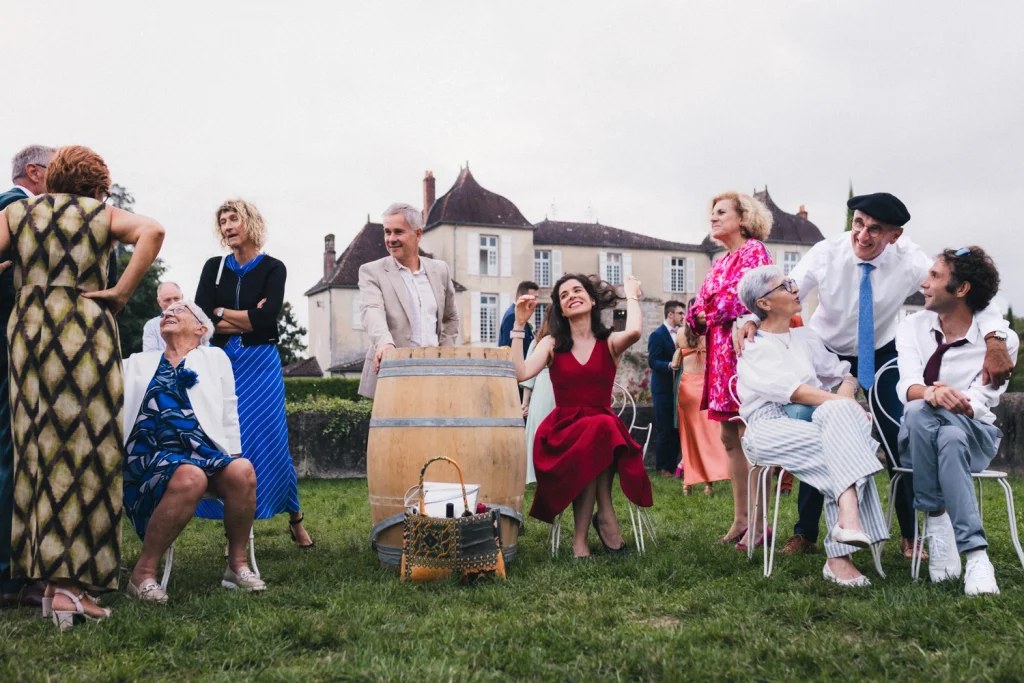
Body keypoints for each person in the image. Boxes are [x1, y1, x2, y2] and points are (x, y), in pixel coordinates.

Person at [738, 192, 1011, 560]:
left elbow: (974, 291)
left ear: (894, 236)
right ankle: (805, 531)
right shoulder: (826, 253)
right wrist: (750, 321)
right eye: (858, 224)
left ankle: (910, 534)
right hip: (827, 351)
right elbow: (783, 292)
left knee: (902, 432)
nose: (863, 236)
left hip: (883, 352)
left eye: (875, 230)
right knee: (821, 427)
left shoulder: (911, 259)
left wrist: (995, 340)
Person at [0, 145, 165, 627]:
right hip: (83, 327)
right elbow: (152, 230)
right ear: (96, 186)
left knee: (39, 452)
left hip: (30, 333)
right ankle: (72, 589)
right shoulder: (98, 212)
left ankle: (51, 585)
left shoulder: (17, 212)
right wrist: (120, 292)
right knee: (86, 453)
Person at [737, 265, 888, 586]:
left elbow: (842, 373)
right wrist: (843, 404)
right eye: (785, 285)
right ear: (763, 303)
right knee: (845, 441)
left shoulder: (805, 337)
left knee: (839, 424)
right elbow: (791, 391)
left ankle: (843, 537)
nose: (795, 288)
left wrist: (845, 392)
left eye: (793, 282)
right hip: (767, 426)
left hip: (813, 421)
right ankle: (841, 548)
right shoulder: (752, 345)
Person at [123, 300, 264, 602]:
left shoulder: (214, 358)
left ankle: (236, 566)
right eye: (165, 312)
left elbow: (229, 409)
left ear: (201, 328)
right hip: (149, 452)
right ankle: (142, 574)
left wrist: (234, 454)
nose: (168, 313)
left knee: (243, 471)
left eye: (179, 310)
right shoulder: (138, 362)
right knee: (191, 477)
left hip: (203, 451)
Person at [896, 247, 1018, 596]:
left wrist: (952, 400)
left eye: (935, 276)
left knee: (944, 428)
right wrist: (931, 394)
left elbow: (983, 402)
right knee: (933, 422)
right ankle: (976, 555)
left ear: (961, 289)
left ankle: (937, 522)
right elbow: (907, 385)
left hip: (975, 436)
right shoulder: (912, 325)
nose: (924, 282)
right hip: (918, 440)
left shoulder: (1000, 343)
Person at [194, 198, 312, 548]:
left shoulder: (273, 268)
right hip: (221, 366)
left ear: (250, 223)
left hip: (260, 365)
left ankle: (295, 517)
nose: (228, 226)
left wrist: (222, 313)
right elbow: (203, 319)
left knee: (270, 439)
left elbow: (267, 319)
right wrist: (239, 316)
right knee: (229, 441)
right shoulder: (214, 267)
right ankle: (237, 525)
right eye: (223, 222)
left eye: (234, 220)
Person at [512, 273, 653, 559]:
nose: (571, 296)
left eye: (577, 291)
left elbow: (636, 332)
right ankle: (605, 517)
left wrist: (632, 296)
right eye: (564, 295)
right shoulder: (552, 343)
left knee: (598, 429)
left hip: (600, 431)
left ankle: (582, 540)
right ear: (561, 310)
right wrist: (518, 325)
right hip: (561, 433)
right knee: (599, 430)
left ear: (591, 300)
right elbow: (522, 373)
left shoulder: (609, 343)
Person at [685, 192, 773, 550]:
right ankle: (740, 519)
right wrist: (702, 311)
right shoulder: (719, 262)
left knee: (752, 437)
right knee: (728, 438)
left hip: (745, 353)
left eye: (721, 212)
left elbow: (748, 297)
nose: (713, 218)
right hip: (720, 358)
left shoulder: (755, 252)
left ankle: (760, 522)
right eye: (712, 213)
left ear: (743, 218)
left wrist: (709, 309)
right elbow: (696, 309)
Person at [0, 144, 55, 610]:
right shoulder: (14, 206)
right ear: (34, 172)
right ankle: (8, 575)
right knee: (10, 450)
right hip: (8, 342)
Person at [357, 202, 460, 399]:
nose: (391, 239)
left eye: (398, 232)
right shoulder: (371, 271)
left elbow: (451, 317)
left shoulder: (440, 270)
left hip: (434, 373)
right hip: (392, 372)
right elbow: (371, 310)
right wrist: (384, 344)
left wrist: (444, 353)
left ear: (418, 234)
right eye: (387, 232)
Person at [671, 301, 728, 496]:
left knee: (689, 436)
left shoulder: (680, 335)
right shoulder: (711, 333)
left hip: (686, 387)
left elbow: (677, 354)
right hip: (704, 387)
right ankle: (708, 484)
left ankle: (688, 484)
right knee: (709, 436)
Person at [649, 300, 685, 477]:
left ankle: (673, 465)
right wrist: (669, 365)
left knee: (676, 428)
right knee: (664, 428)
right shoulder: (657, 335)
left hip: (678, 389)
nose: (683, 317)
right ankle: (662, 466)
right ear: (670, 314)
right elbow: (653, 361)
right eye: (680, 313)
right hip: (662, 389)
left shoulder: (682, 334)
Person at [520, 314, 555, 485]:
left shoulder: (539, 341)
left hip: (544, 386)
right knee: (541, 426)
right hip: (545, 384)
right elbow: (528, 375)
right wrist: (525, 403)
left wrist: (525, 402)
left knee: (540, 426)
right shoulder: (541, 342)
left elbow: (528, 381)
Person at [142, 281, 184, 352]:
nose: (173, 303)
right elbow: (149, 356)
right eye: (167, 300)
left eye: (176, 298)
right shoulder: (151, 326)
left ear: (182, 298)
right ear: (159, 302)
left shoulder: (197, 321)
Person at [500, 280, 539, 352]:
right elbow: (508, 349)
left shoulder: (518, 314)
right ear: (520, 297)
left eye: (537, 298)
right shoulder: (512, 316)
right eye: (533, 298)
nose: (536, 302)